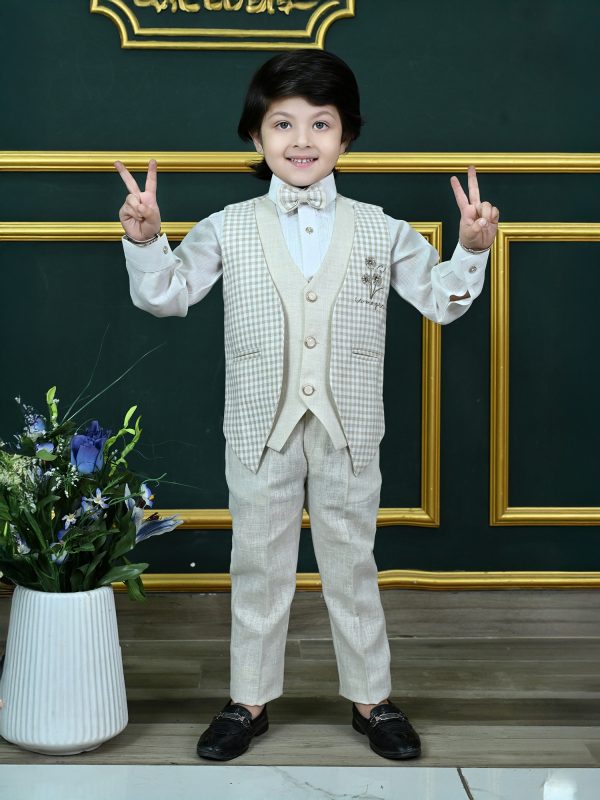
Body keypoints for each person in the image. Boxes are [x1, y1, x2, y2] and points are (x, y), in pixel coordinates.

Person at [115, 49, 499, 762]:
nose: (301, 140)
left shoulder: (380, 227)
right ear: (255, 136)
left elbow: (442, 301)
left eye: (320, 124)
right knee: (258, 563)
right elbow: (167, 294)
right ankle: (249, 698)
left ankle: (372, 698)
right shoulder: (228, 224)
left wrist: (471, 249)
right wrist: (145, 240)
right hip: (258, 426)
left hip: (350, 427)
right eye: (282, 123)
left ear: (346, 136)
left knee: (352, 562)